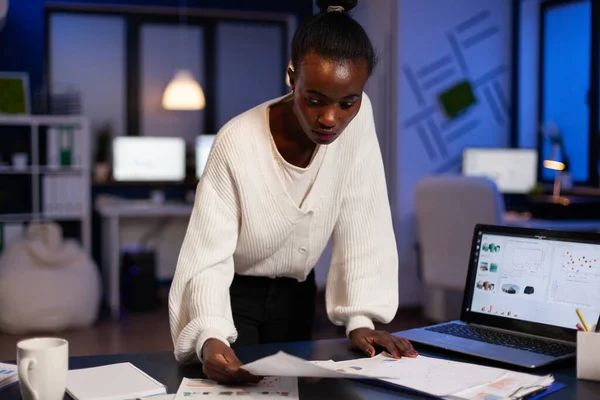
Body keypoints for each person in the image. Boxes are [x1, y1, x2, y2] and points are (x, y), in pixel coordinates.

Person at [168, 0, 417, 384]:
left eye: (347, 102)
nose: (330, 118)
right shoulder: (236, 142)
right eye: (314, 100)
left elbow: (363, 215)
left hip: (299, 297)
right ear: (291, 76)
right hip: (234, 301)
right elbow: (207, 257)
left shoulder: (358, 119)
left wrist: (360, 319)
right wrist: (209, 334)